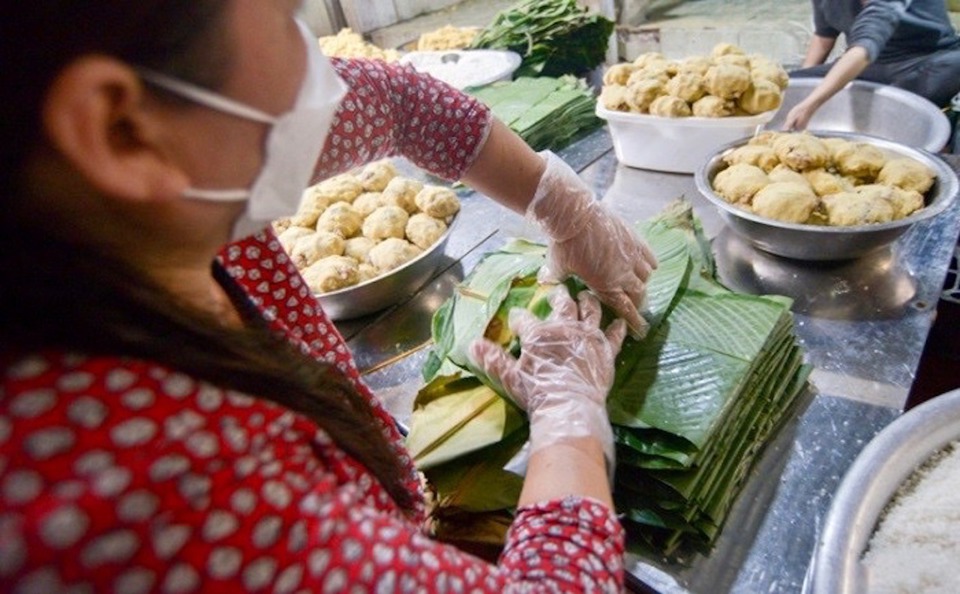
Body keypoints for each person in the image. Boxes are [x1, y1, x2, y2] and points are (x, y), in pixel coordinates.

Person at [0, 1, 658, 592]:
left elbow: (398, 104)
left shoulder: (128, 200)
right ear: (121, 130)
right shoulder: (157, 490)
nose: (318, 69)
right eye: (289, 23)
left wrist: (554, 198)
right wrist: (568, 425)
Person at [784, 0, 960, 130]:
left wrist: (811, 103)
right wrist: (800, 89)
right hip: (871, 64)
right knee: (785, 88)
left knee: (898, 110)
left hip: (928, 59)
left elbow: (865, 46)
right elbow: (824, 35)